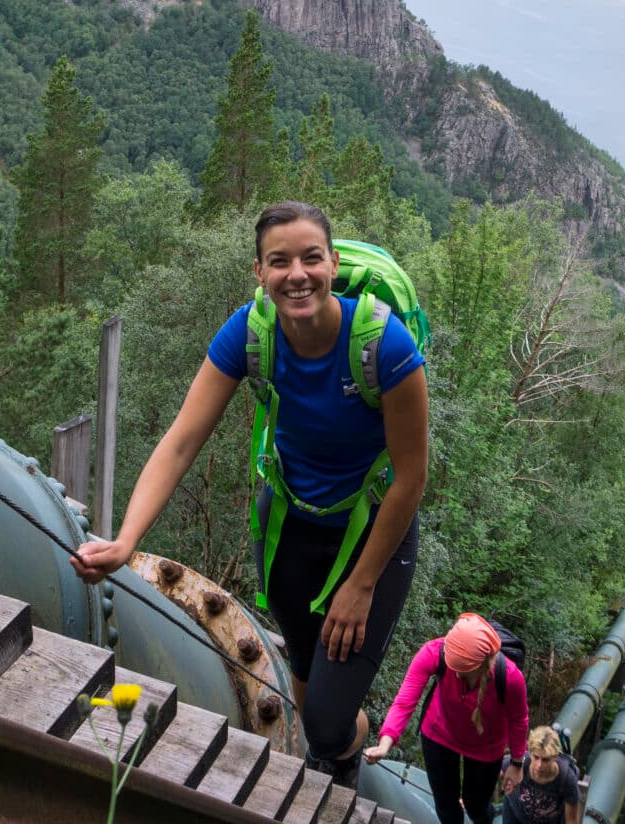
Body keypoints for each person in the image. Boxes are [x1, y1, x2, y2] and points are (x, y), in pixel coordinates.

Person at [71, 201, 429, 787]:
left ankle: (342, 752)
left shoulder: (383, 347)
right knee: (307, 683)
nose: (298, 274)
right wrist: (126, 540)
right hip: (290, 526)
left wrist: (361, 585)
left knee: (330, 721)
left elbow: (412, 478)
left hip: (374, 537)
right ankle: (324, 744)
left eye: (312, 258)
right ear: (259, 273)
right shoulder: (250, 333)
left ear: (333, 264)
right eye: (279, 261)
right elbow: (182, 441)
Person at [366, 613, 530, 824]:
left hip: (486, 747)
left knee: (476, 806)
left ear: (482, 664)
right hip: (439, 733)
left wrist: (517, 763)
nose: (456, 674)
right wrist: (384, 743)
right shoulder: (434, 652)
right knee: (446, 805)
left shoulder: (509, 677)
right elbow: (405, 701)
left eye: (462, 670)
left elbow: (519, 720)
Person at [501, 726, 582, 824]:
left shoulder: (566, 778)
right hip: (515, 816)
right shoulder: (519, 764)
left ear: (555, 756)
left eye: (545, 760)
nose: (539, 765)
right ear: (530, 752)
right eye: (536, 757)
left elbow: (572, 820)